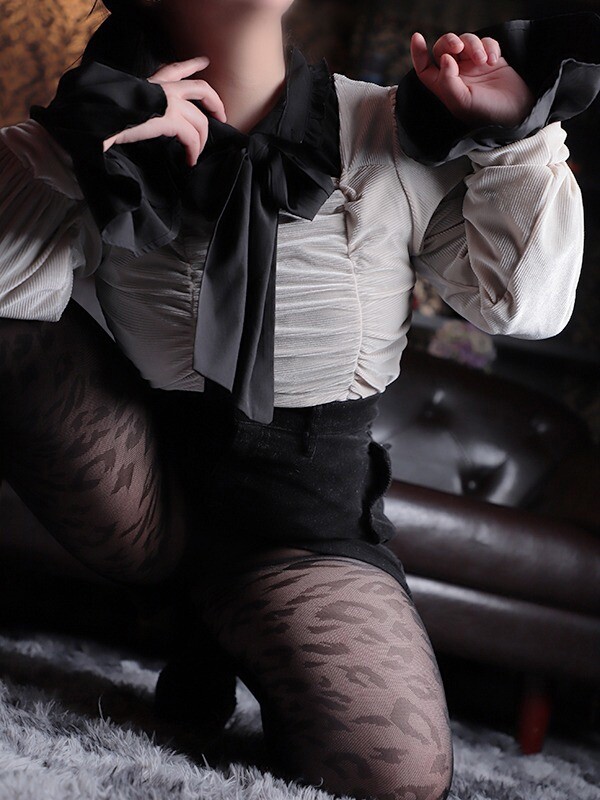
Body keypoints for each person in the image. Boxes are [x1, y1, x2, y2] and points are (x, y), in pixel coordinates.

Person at [0, 1, 598, 798]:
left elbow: (525, 308)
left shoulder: (390, 127)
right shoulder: (102, 123)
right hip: (138, 492)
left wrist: (514, 138)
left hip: (300, 526)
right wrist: (63, 145)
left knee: (399, 776)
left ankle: (226, 622)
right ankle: (181, 600)